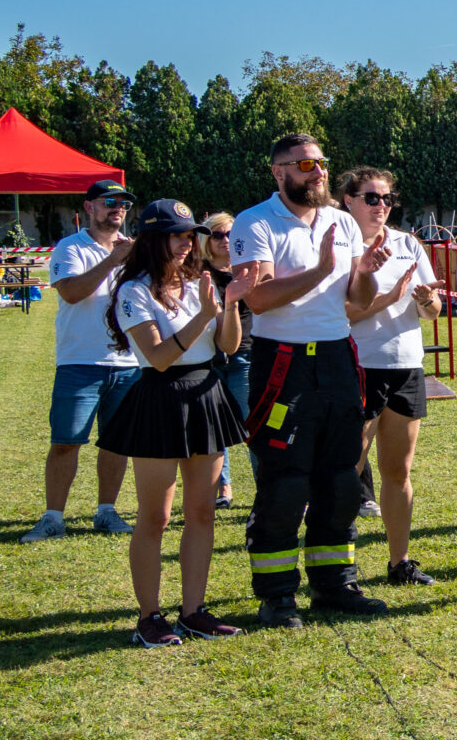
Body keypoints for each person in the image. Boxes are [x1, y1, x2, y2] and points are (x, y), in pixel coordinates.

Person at [227, 132, 391, 627]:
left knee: (341, 479)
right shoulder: (255, 222)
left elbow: (358, 299)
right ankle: (277, 595)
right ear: (278, 172)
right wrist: (321, 269)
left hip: (337, 357)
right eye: (304, 165)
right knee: (285, 482)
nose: (318, 172)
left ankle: (335, 583)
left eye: (320, 163)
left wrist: (366, 271)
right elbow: (258, 299)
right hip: (283, 362)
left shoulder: (343, 222)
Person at [99, 200, 250, 645]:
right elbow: (160, 357)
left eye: (190, 235)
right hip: (160, 398)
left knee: (202, 511)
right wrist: (204, 314)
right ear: (152, 239)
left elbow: (228, 346)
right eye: (177, 235)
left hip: (205, 392)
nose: (187, 244)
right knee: (156, 516)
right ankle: (149, 617)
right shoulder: (134, 291)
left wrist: (229, 305)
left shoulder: (200, 282)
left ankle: (193, 611)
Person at [23, 179, 142, 540]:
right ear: (89, 207)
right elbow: (73, 293)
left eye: (123, 204)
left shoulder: (134, 250)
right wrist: (113, 260)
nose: (118, 209)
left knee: (116, 443)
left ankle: (106, 511)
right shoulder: (70, 247)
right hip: (79, 362)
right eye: (110, 202)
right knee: (66, 442)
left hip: (128, 363)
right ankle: (53, 518)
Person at [342, 167, 441, 583]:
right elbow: (342, 313)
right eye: (371, 197)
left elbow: (432, 310)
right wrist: (389, 298)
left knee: (398, 473)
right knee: (347, 471)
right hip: (359, 366)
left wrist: (426, 300)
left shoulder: (407, 243)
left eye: (387, 198)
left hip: (406, 367)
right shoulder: (339, 244)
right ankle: (337, 569)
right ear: (348, 201)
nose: (381, 205)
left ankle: (399, 563)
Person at [199, 211, 250, 508]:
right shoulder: (198, 272)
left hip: (245, 355)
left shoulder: (250, 267)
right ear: (207, 240)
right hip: (209, 358)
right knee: (213, 428)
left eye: (230, 234)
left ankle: (267, 489)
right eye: (217, 235)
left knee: (254, 426)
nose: (225, 240)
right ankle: (223, 488)